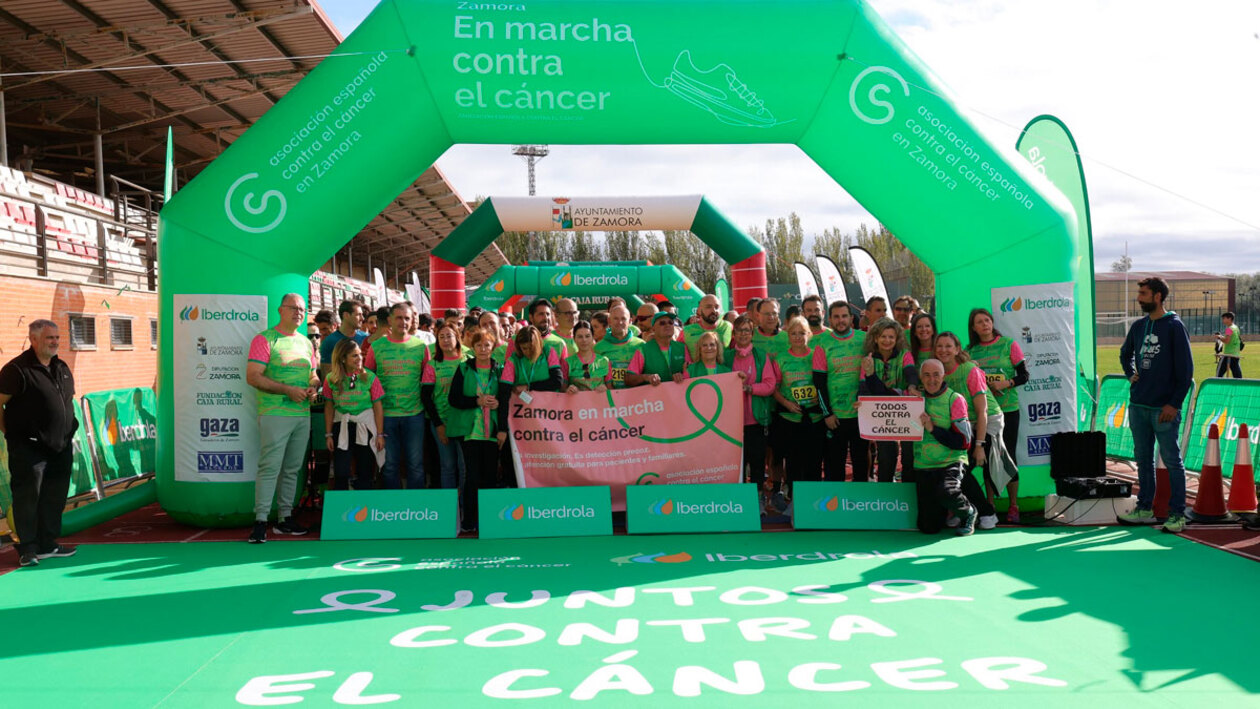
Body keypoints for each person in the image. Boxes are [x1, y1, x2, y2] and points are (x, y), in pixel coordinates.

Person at [0, 319, 79, 566]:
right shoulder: (16, 370)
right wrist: (9, 432)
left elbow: (66, 402)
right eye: (49, 338)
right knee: (27, 497)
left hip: (60, 446)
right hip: (28, 448)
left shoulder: (61, 367)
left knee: (55, 496)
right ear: (33, 339)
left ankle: (47, 544)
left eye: (57, 337)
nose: (55, 342)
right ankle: (28, 549)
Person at [1118, 276, 1193, 533]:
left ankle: (1177, 514)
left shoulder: (1174, 326)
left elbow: (1186, 372)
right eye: (1139, 293)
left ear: (1158, 296)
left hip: (1164, 409)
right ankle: (1144, 508)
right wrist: (1130, 374)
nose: (1138, 298)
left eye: (1144, 293)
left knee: (1172, 461)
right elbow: (1124, 354)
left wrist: (1174, 404)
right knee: (1143, 460)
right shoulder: (1139, 326)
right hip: (1138, 405)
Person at [245, 294, 320, 543]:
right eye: (293, 308)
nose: (299, 312)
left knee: (292, 469)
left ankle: (285, 519)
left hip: (301, 414)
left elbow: (312, 375)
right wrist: (287, 390)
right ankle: (260, 521)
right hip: (274, 413)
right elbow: (253, 376)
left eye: (302, 309)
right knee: (270, 467)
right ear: (280, 310)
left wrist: (314, 386)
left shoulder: (306, 343)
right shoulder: (265, 339)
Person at [966, 308, 1028, 522]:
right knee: (987, 457)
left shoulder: (1008, 344)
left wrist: (1005, 383)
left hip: (1008, 410)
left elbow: (1024, 375)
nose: (985, 324)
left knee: (1008, 456)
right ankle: (989, 505)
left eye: (987, 320)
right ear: (973, 328)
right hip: (984, 414)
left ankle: (1013, 505)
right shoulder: (970, 351)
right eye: (979, 322)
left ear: (992, 323)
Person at [934, 331, 1001, 529]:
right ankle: (963, 510)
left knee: (961, 470)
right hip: (965, 424)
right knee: (954, 468)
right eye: (940, 346)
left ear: (957, 349)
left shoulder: (970, 370)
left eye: (948, 346)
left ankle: (987, 513)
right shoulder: (939, 372)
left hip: (987, 423)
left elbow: (983, 411)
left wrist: (979, 446)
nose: (944, 350)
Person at [448, 329, 509, 532]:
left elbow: (506, 400)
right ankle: (469, 521)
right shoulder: (464, 368)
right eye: (479, 345)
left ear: (493, 347)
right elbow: (454, 399)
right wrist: (477, 401)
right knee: (472, 476)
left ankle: (489, 520)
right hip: (470, 431)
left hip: (492, 432)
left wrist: (498, 407)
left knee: (490, 476)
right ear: (472, 347)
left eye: (487, 345)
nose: (483, 349)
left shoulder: (500, 369)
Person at [364, 302, 430, 490]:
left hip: (414, 414)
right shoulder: (376, 347)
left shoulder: (420, 346)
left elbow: (427, 379)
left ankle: (416, 505)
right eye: (399, 318)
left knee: (415, 465)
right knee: (390, 465)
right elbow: (367, 378)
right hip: (385, 415)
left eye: (407, 318)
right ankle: (393, 505)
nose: (403, 322)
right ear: (390, 320)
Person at [913, 359, 979, 536]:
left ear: (943, 376)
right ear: (921, 377)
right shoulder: (915, 399)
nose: (931, 380)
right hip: (924, 465)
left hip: (950, 461)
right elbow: (884, 403)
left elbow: (963, 442)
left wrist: (933, 429)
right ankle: (946, 511)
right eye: (927, 375)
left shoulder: (954, 399)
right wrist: (864, 407)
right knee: (928, 527)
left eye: (936, 375)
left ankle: (968, 512)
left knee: (947, 491)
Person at [813, 300, 868, 481]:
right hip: (836, 416)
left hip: (861, 413)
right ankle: (838, 499)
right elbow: (819, 382)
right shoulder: (822, 343)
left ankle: (860, 496)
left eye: (844, 316)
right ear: (829, 319)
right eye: (836, 317)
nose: (840, 320)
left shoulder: (864, 339)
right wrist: (827, 413)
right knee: (835, 464)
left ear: (851, 318)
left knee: (861, 461)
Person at [728, 315, 779, 500]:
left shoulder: (761, 355)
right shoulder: (725, 356)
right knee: (736, 465)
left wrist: (750, 388)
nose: (743, 334)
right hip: (731, 423)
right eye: (739, 330)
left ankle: (758, 500)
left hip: (756, 420)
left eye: (747, 330)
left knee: (757, 464)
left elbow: (770, 385)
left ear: (752, 334)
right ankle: (739, 502)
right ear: (733, 334)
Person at [323, 339, 384, 491]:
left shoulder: (370, 377)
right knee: (341, 471)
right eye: (354, 356)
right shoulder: (331, 379)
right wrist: (328, 434)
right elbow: (329, 407)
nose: (360, 359)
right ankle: (342, 503)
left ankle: (365, 503)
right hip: (342, 426)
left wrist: (380, 434)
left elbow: (378, 407)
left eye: (360, 355)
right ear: (343, 358)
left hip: (365, 426)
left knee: (365, 470)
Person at [774, 317, 827, 490]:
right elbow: (774, 388)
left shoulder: (816, 356)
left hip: (814, 417)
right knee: (793, 462)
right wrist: (787, 403)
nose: (797, 337)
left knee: (814, 461)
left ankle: (813, 498)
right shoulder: (781, 358)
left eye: (802, 333)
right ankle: (793, 498)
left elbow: (825, 382)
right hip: (790, 418)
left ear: (809, 334)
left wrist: (819, 398)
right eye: (794, 333)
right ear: (788, 336)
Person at [857, 317, 909, 483]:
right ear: (875, 338)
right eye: (883, 336)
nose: (887, 340)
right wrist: (862, 402)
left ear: (897, 338)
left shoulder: (904, 355)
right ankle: (885, 489)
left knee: (909, 454)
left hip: (904, 411)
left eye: (891, 337)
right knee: (887, 453)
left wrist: (913, 386)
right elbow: (864, 387)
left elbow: (911, 374)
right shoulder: (868, 358)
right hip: (880, 413)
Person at [421, 323, 469, 492]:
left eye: (449, 336)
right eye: (441, 337)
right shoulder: (432, 364)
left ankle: (464, 503)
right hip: (442, 421)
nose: (446, 340)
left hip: (465, 422)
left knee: (464, 466)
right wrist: (438, 425)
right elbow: (426, 397)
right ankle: (450, 505)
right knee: (447, 465)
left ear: (458, 338)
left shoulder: (468, 360)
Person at [626, 312, 688, 386]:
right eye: (662, 323)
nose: (667, 325)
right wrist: (645, 377)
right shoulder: (644, 350)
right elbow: (628, 378)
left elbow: (692, 372)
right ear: (653, 329)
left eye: (671, 322)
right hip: (653, 393)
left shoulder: (682, 348)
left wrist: (683, 375)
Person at [594, 305, 645, 389]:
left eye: (623, 319)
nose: (620, 322)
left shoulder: (641, 345)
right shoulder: (598, 348)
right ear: (609, 321)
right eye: (616, 318)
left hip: (637, 395)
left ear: (630, 321)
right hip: (608, 396)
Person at [504, 325, 564, 395]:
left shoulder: (548, 352)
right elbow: (505, 387)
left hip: (547, 399)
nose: (528, 352)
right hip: (522, 400)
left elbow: (557, 381)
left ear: (538, 344)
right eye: (524, 348)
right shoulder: (514, 358)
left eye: (531, 348)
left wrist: (528, 387)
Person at [320, 300, 367, 376]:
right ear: (346, 315)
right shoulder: (329, 342)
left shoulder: (366, 338)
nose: (362, 318)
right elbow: (326, 374)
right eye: (358, 315)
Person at [683, 294, 733, 363]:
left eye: (717, 307)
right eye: (708, 307)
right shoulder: (686, 331)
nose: (714, 310)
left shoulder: (728, 327)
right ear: (700, 310)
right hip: (697, 370)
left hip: (725, 369)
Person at [564, 321, 612, 392]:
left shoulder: (604, 361)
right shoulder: (567, 363)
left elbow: (611, 390)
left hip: (600, 399)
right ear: (574, 338)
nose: (584, 340)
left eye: (587, 336)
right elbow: (562, 390)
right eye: (580, 337)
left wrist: (605, 389)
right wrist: (568, 390)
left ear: (593, 337)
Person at [1216, 311, 1243, 378]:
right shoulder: (1236, 327)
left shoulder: (1229, 329)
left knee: (1219, 374)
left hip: (1228, 355)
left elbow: (1227, 341)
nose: (1223, 320)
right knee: (1237, 376)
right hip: (1235, 354)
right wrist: (1222, 337)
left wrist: (1219, 337)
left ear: (1229, 318)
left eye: (1224, 318)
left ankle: (1218, 384)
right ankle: (1240, 384)